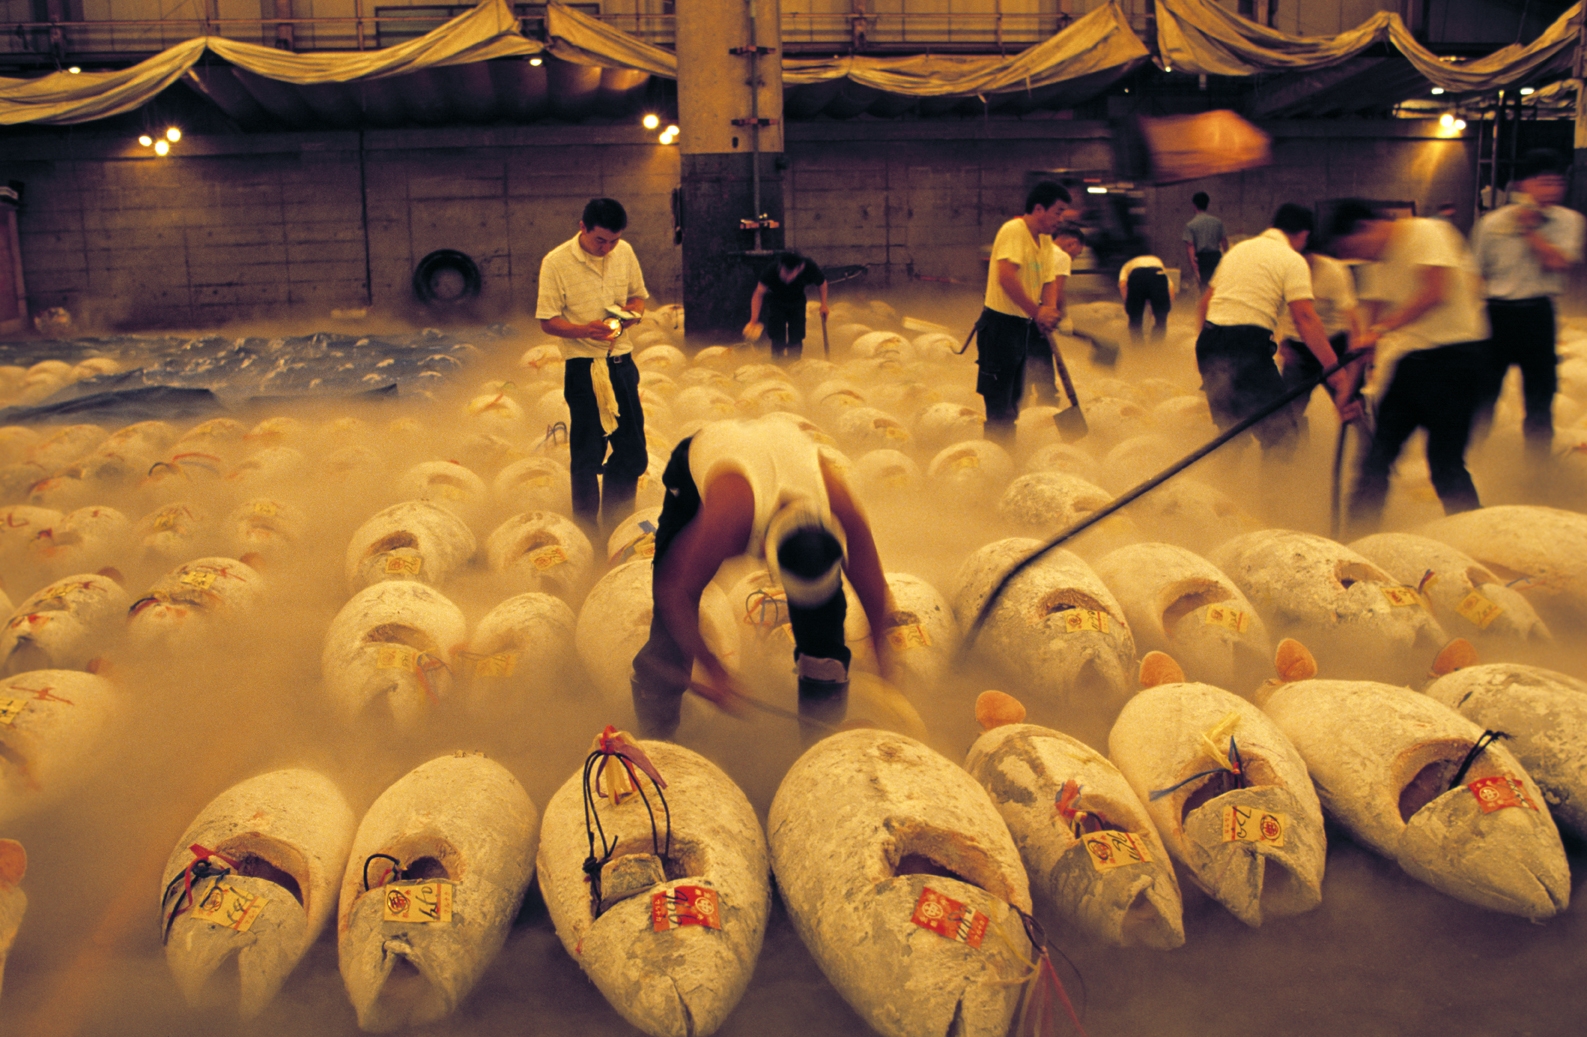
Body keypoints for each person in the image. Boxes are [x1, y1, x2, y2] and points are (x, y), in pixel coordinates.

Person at [630, 416, 895, 742]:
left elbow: (875, 592)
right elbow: (675, 591)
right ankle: (658, 730)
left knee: (825, 633)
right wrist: (716, 672)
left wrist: (889, 680)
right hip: (707, 456)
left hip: (778, 447)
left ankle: (818, 742)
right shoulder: (729, 520)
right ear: (768, 556)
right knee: (669, 633)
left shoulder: (840, 508)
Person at [1329, 200, 1491, 531]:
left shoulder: (1427, 232)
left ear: (1367, 227)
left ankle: (1477, 540)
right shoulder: (1377, 262)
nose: (1361, 257)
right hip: (1413, 362)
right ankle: (1357, 538)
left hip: (1457, 358)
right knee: (1376, 458)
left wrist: (1382, 330)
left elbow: (1435, 291)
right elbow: (1367, 329)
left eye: (1354, 248)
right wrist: (1349, 390)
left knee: (1445, 463)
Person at [1194, 203, 1357, 452]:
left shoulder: (1238, 251)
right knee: (1281, 437)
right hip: (1246, 346)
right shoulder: (1291, 259)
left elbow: (1204, 304)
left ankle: (1225, 489)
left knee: (1231, 434)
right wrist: (1333, 367)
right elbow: (1305, 318)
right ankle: (1273, 491)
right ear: (1303, 235)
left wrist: (1204, 347)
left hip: (1209, 344)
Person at [537, 198, 649, 533]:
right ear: (582, 227)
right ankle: (586, 533)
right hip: (584, 367)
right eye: (600, 240)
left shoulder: (624, 252)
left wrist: (632, 316)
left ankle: (617, 524)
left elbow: (638, 296)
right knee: (588, 453)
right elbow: (548, 320)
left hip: (621, 361)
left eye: (613, 241)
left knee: (632, 453)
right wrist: (585, 329)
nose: (607, 248)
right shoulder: (555, 262)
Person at [1471, 148, 1585, 454]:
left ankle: (1537, 468)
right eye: (1543, 182)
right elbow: (1475, 276)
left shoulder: (1569, 221)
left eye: (1557, 183)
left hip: (1538, 314)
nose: (1552, 190)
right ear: (1522, 185)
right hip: (1497, 315)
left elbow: (1557, 263)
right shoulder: (1492, 224)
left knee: (1540, 396)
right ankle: (1472, 458)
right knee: (1484, 394)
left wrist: (1529, 228)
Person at [974, 181, 1071, 444]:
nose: (1060, 219)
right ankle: (995, 456)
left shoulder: (1046, 240)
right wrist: (1037, 311)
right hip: (998, 327)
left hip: (1020, 328)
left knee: (1015, 400)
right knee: (998, 402)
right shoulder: (1014, 230)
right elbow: (1006, 277)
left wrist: (1048, 310)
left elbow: (1049, 279)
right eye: (1058, 212)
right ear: (1039, 209)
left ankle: (1006, 454)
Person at [1274, 246, 1360, 438]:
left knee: (1352, 407)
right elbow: (1280, 311)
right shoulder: (1283, 269)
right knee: (1288, 414)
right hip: (1298, 348)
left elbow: (1352, 317)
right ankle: (1296, 457)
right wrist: (1283, 342)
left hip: (1334, 345)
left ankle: (1372, 455)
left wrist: (1352, 362)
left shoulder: (1333, 271)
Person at [1021, 224, 1084, 405]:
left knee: (1022, 364)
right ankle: (1046, 410)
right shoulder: (1061, 256)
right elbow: (1055, 291)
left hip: (1016, 315)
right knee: (1043, 368)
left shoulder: (1034, 250)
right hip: (1039, 317)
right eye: (1076, 254)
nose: (1073, 258)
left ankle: (1020, 411)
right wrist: (1061, 317)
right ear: (1071, 244)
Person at [744, 251, 829, 361]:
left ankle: (794, 361)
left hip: (797, 301)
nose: (787, 277)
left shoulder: (808, 267)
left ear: (800, 268)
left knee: (797, 336)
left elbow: (822, 284)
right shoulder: (771, 270)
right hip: (776, 302)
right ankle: (778, 361)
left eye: (791, 273)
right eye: (785, 272)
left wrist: (824, 304)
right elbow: (759, 293)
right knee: (777, 336)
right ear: (780, 266)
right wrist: (753, 319)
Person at [1118, 252, 1171, 343]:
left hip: (1137, 276)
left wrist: (1129, 304)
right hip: (1158, 274)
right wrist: (1164, 310)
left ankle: (1138, 348)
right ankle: (1156, 347)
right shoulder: (1158, 262)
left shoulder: (1127, 265)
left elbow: (1123, 285)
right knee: (1161, 320)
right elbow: (1170, 289)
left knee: (1135, 319)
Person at [1183, 192, 1228, 292]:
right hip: (1216, 257)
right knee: (1217, 286)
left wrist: (1193, 264)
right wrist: (1226, 256)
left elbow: (1190, 245)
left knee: (1204, 287)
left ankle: (1206, 306)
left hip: (1203, 259)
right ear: (1207, 204)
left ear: (1194, 205)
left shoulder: (1190, 225)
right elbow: (1224, 240)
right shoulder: (1217, 222)